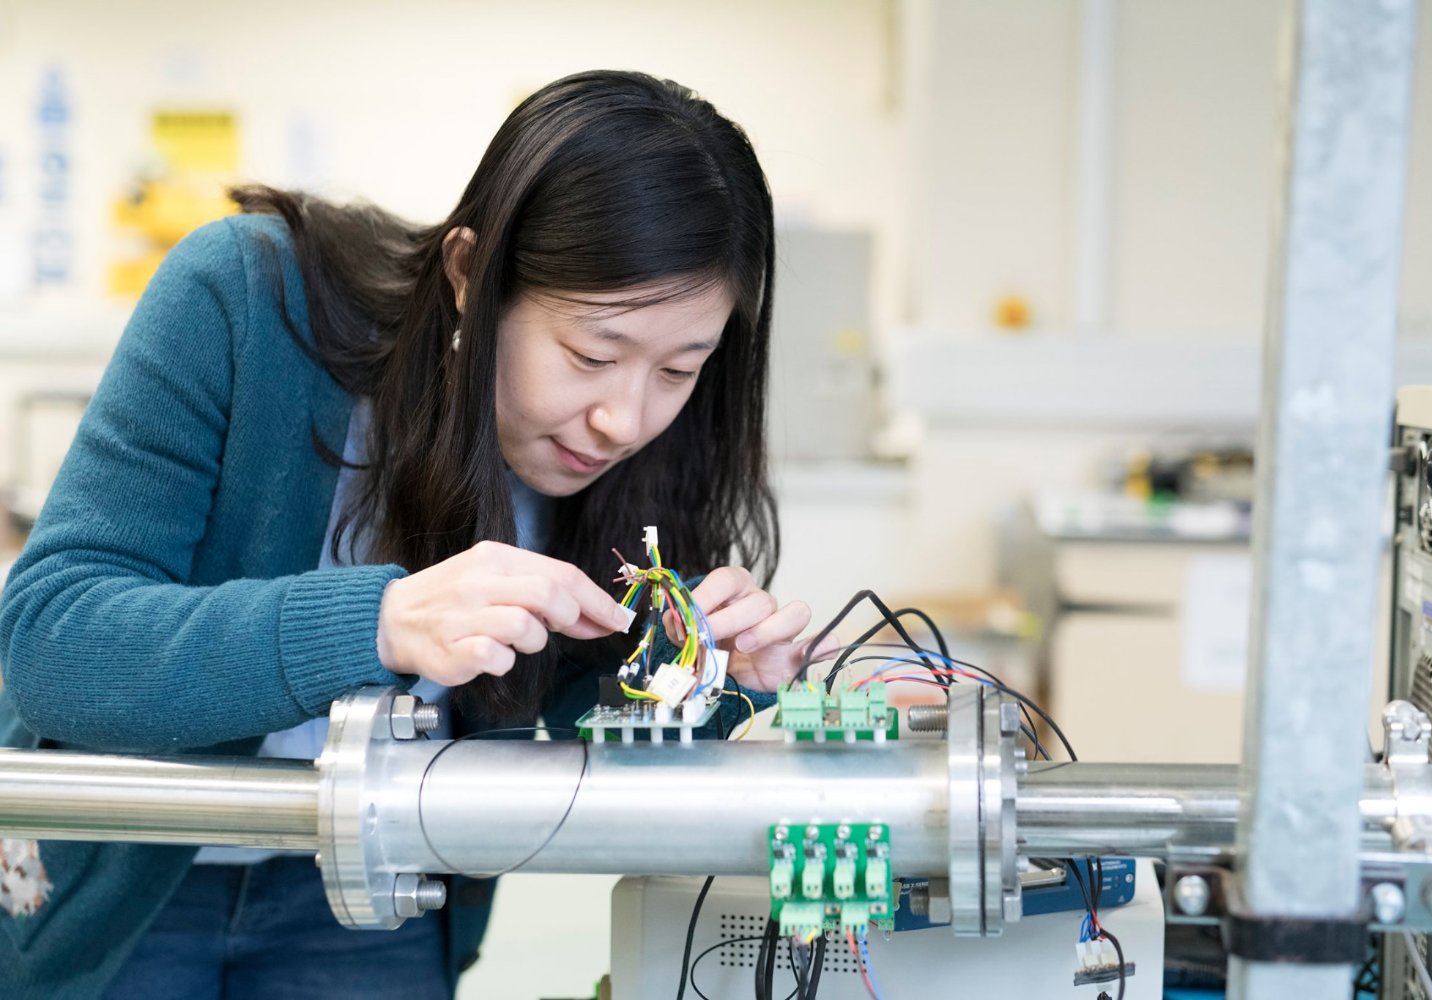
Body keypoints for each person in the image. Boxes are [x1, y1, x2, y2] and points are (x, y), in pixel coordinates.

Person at [0, 70, 834, 999]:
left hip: (373, 892)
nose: (624, 420)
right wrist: (378, 621)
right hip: (129, 884)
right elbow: (50, 640)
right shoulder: (245, 298)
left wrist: (708, 689)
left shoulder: (639, 465)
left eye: (680, 370)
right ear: (470, 271)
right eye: (592, 355)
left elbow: (562, 728)